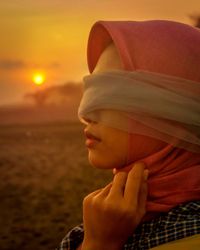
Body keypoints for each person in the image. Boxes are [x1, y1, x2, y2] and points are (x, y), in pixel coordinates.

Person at [58, 20, 200, 250]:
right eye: (92, 91)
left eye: (113, 93)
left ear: (176, 113)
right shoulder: (107, 219)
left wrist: (99, 245)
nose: (87, 114)